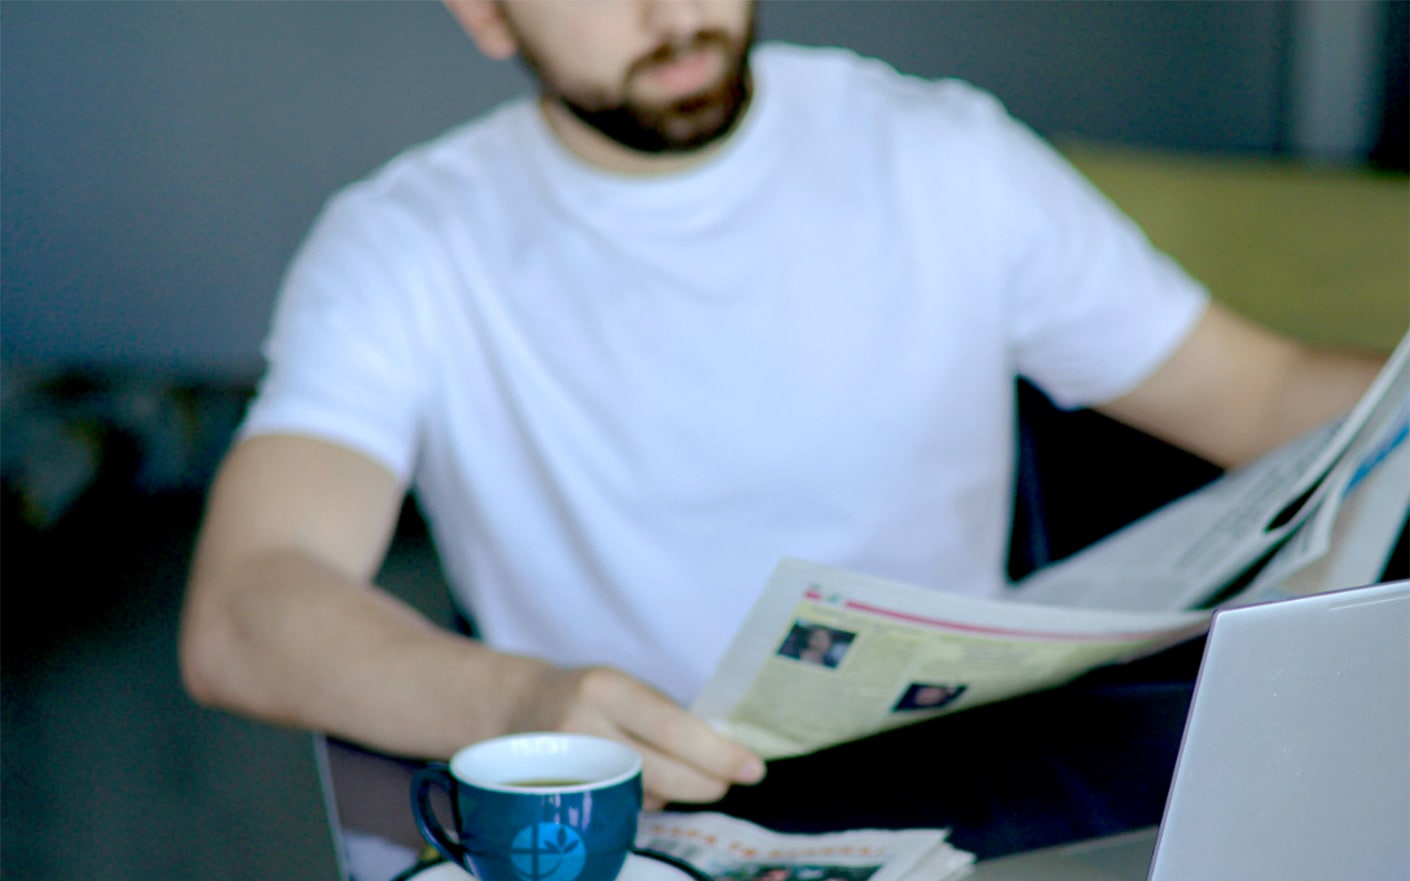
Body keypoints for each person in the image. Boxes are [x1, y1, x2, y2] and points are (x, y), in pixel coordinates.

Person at [179, 0, 1385, 814]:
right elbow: (247, 602)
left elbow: (1259, 393)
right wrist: (523, 705)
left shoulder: (939, 151)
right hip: (632, 817)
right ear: (485, 12)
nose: (670, 13)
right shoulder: (406, 243)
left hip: (971, 791)